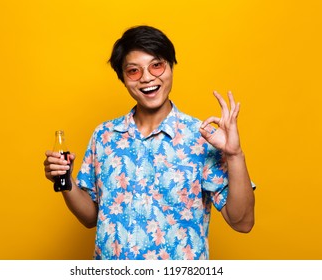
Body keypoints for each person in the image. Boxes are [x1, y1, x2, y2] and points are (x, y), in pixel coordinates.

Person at [44, 25, 255, 260]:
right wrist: (66, 181)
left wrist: (235, 155)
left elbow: (243, 222)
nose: (146, 78)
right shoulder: (104, 136)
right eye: (134, 71)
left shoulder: (202, 136)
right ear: (123, 79)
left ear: (171, 66)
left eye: (156, 65)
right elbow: (91, 218)